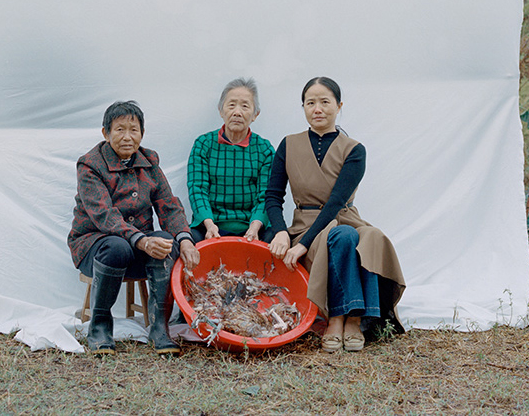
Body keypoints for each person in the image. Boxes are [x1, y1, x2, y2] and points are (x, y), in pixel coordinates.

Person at [265, 77, 405, 353]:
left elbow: (336, 202)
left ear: (339, 106)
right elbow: (272, 196)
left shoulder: (354, 150)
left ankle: (351, 318)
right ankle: (341, 318)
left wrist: (304, 244)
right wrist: (281, 230)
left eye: (325, 102)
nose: (318, 108)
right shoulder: (288, 145)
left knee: (369, 235)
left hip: (342, 217)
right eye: (311, 102)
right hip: (305, 224)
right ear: (303, 107)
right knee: (343, 236)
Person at [68, 100, 200, 355]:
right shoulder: (90, 166)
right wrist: (140, 240)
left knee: (165, 241)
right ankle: (100, 328)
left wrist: (185, 239)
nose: (128, 137)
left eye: (134, 130)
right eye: (120, 130)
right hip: (95, 249)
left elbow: (168, 206)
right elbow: (104, 215)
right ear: (105, 133)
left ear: (142, 133)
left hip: (138, 248)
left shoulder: (149, 162)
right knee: (117, 246)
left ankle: (160, 328)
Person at [186, 77, 276, 244]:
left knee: (274, 239)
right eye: (231, 105)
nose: (237, 112)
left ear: (255, 114)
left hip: (252, 226)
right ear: (221, 111)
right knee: (188, 239)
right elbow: (197, 189)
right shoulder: (203, 144)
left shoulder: (264, 149)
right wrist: (209, 224)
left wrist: (255, 227)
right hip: (212, 224)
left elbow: (266, 195)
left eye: (245, 106)